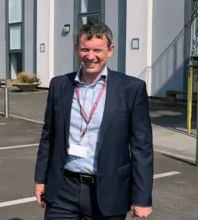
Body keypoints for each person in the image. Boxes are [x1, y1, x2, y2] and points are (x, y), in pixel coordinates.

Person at [34, 22, 154, 219]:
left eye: (97, 50)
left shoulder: (131, 89)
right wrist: (40, 180)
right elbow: (48, 136)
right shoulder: (59, 85)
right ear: (76, 49)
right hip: (63, 190)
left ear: (110, 51)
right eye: (85, 49)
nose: (90, 56)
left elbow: (142, 148)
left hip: (108, 191)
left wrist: (142, 197)